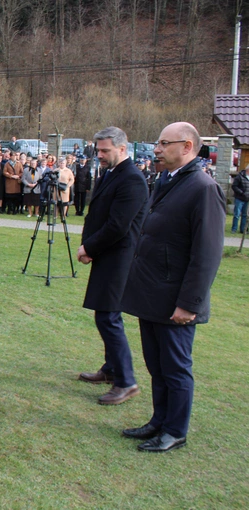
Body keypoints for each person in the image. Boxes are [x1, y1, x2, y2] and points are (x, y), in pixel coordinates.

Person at [121, 122, 225, 452]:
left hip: (176, 300)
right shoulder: (168, 180)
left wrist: (190, 304)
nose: (157, 149)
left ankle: (175, 430)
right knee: (156, 364)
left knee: (176, 368)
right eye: (158, 143)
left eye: (165, 144)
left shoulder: (202, 187)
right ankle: (159, 421)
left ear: (187, 147)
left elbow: (206, 254)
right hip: (153, 294)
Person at [77, 126, 149, 405]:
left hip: (120, 258)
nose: (100, 155)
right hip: (106, 255)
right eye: (98, 150)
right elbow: (97, 214)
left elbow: (118, 226)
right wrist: (90, 247)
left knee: (109, 317)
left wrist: (89, 247)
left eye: (105, 150)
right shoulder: (111, 173)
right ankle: (111, 369)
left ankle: (126, 381)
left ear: (122, 148)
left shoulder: (132, 179)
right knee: (104, 315)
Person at [231, 164, 248, 233]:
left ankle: (243, 230)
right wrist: (241, 192)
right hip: (239, 198)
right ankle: (234, 229)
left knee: (245, 215)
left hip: (247, 199)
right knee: (237, 214)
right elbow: (234, 186)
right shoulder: (239, 177)